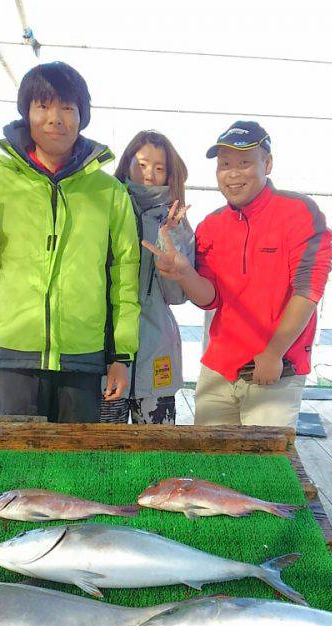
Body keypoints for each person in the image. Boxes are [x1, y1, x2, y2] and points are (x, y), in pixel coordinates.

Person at [0, 62, 140, 423]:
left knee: (75, 464)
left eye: (67, 108)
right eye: (43, 106)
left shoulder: (109, 193)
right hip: (14, 352)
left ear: (82, 117)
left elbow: (125, 276)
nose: (55, 118)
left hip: (83, 355)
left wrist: (121, 356)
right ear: (26, 113)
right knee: (12, 461)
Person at [142, 121, 332, 429]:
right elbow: (210, 298)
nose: (232, 173)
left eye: (245, 163)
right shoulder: (212, 225)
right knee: (208, 464)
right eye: (224, 165)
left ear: (267, 164)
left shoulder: (299, 211)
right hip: (219, 369)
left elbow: (308, 290)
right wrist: (183, 273)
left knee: (263, 469)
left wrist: (273, 353)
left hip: (276, 369)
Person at [100, 131, 194, 425]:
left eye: (159, 167)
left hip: (157, 352)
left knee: (157, 450)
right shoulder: (104, 209)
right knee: (101, 452)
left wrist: (172, 240)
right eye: (141, 164)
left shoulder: (177, 221)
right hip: (105, 352)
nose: (149, 174)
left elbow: (177, 296)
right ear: (126, 165)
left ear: (169, 172)